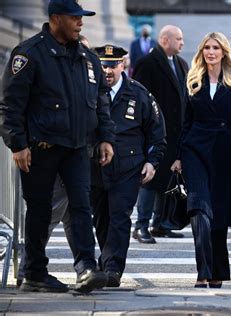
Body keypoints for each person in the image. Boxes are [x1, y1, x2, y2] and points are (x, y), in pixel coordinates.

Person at [0, 0, 115, 293]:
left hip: (77, 147)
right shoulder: (29, 53)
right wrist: (17, 144)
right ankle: (35, 271)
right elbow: (10, 105)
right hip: (40, 147)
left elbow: (100, 100)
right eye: (74, 17)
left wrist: (105, 137)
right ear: (55, 19)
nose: (80, 22)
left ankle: (86, 268)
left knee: (81, 206)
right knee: (39, 210)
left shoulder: (87, 58)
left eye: (82, 17)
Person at [170, 32, 231, 288]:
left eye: (216, 47)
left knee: (218, 213)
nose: (211, 52)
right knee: (198, 208)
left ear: (224, 52)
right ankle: (203, 271)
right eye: (207, 47)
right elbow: (185, 122)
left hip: (225, 151)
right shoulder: (193, 79)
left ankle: (218, 272)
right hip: (195, 148)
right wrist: (178, 156)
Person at [91, 44, 167, 286]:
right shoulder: (90, 91)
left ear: (123, 65)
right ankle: (105, 261)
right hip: (95, 168)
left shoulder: (140, 94)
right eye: (103, 65)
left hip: (128, 168)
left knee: (120, 216)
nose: (108, 71)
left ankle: (113, 269)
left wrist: (152, 162)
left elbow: (157, 133)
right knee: (100, 218)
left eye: (113, 65)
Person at [132, 25, 188, 242]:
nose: (182, 43)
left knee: (167, 178)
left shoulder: (181, 64)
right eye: (179, 39)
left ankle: (160, 223)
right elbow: (139, 98)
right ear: (165, 40)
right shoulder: (147, 63)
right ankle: (141, 225)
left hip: (175, 132)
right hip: (154, 131)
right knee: (150, 178)